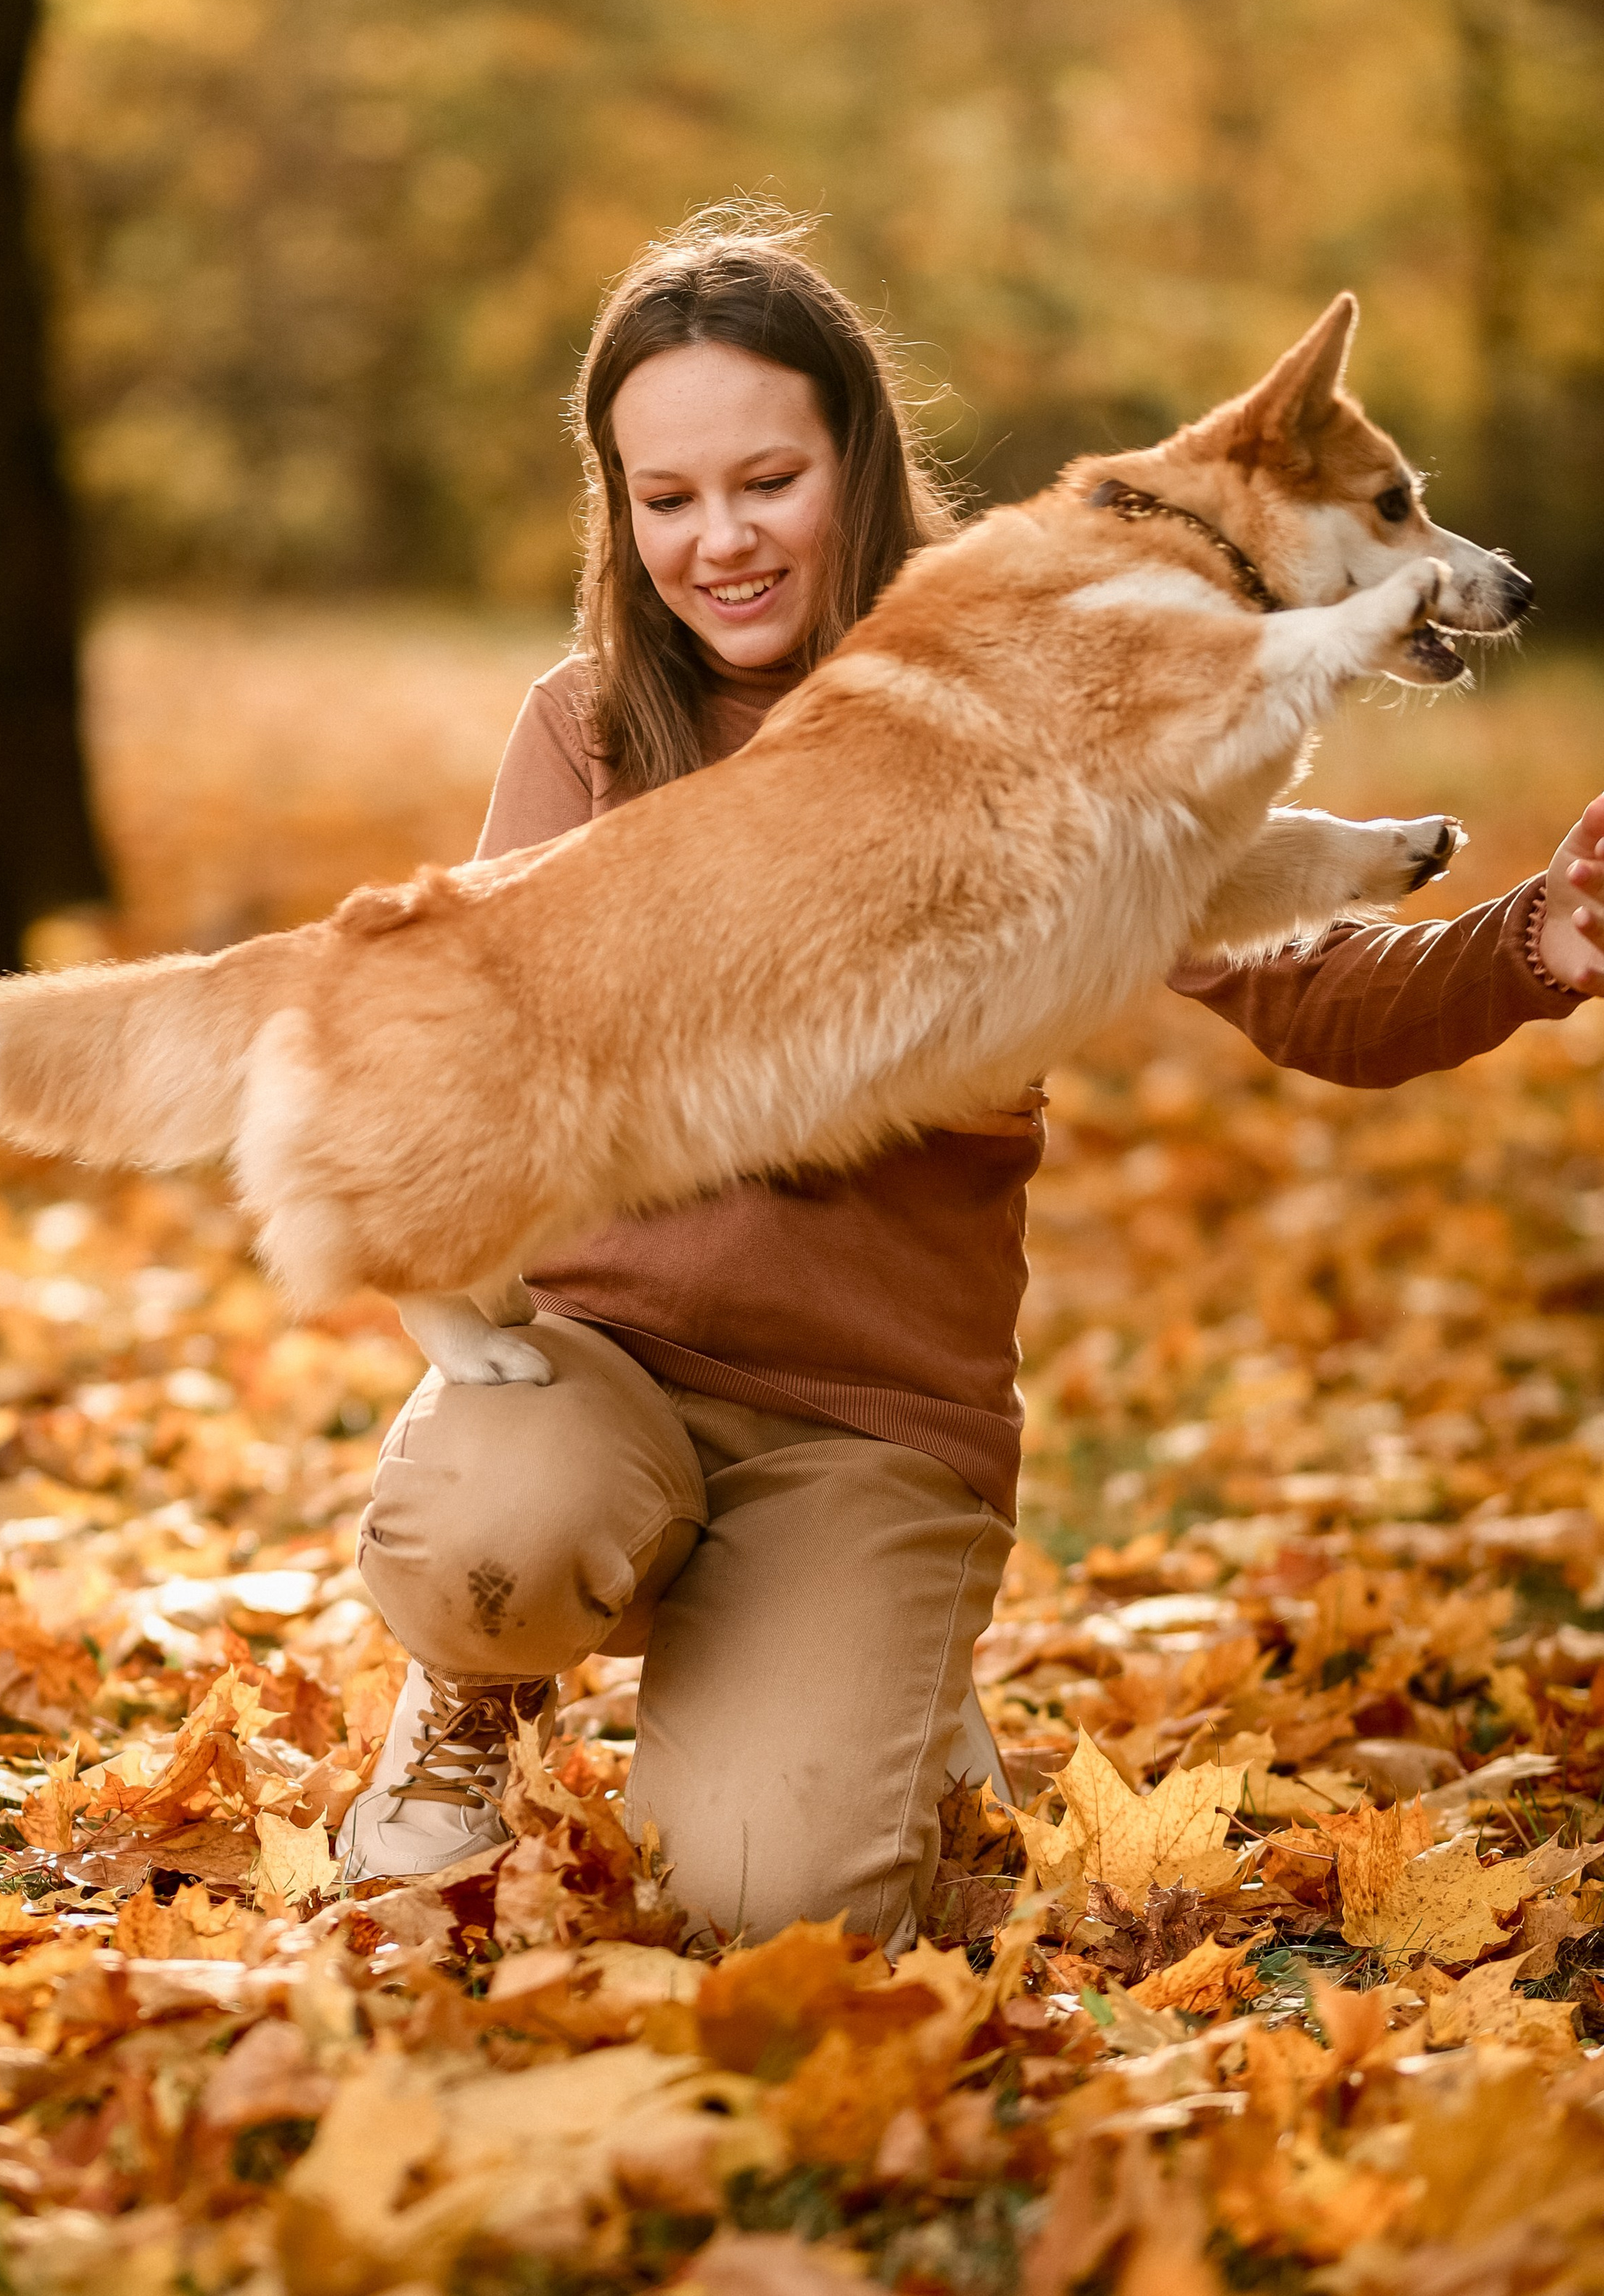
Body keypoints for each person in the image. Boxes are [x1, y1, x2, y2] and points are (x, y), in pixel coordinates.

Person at [339, 207, 1603, 1948]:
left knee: (772, 1908)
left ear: (855, 458)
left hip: (867, 1418)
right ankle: (469, 1697)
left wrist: (1539, 939)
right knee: (497, 1524)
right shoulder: (592, 726)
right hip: (596, 1371)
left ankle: (867, 1680)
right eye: (666, 497)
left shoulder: (1057, 678)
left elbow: (1320, 993)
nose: (717, 541)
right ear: (617, 510)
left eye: (763, 480)